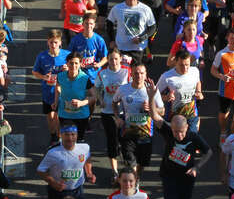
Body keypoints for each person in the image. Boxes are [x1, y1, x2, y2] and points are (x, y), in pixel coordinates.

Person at [160, 114, 213, 199]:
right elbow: (155, 117)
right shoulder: (168, 132)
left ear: (187, 127)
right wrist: (151, 98)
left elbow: (208, 152)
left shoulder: (193, 137)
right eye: (175, 132)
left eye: (182, 132)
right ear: (171, 128)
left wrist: (197, 167)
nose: (179, 136)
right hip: (169, 177)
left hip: (187, 179)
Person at [113, 62, 164, 177]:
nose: (139, 76)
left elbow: (162, 111)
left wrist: (152, 108)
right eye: (136, 73)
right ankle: (133, 182)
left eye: (142, 73)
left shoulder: (152, 90)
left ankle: (137, 179)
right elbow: (114, 102)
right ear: (131, 74)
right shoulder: (123, 89)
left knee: (142, 163)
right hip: (128, 134)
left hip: (145, 134)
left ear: (146, 75)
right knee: (131, 163)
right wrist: (117, 117)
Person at [37, 124, 96, 199]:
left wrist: (89, 173)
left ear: (77, 135)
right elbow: (40, 170)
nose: (70, 138)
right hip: (58, 191)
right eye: (67, 135)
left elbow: (87, 158)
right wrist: (53, 183)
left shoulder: (84, 147)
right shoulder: (53, 152)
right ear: (60, 135)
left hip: (77, 190)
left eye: (73, 134)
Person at [95, 48, 131, 180]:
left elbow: (134, 86)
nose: (114, 61)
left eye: (116, 58)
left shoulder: (126, 71)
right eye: (111, 59)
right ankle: (115, 172)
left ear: (120, 59)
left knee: (126, 141)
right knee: (112, 141)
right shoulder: (103, 73)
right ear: (107, 60)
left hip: (125, 112)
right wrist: (100, 99)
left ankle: (128, 168)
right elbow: (95, 88)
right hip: (108, 112)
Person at [32, 29, 71, 144]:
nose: (53, 45)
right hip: (48, 91)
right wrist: (44, 77)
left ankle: (58, 138)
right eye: (51, 42)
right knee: (50, 116)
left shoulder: (67, 55)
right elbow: (35, 72)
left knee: (58, 117)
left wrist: (68, 69)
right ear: (47, 42)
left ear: (60, 43)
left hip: (62, 92)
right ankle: (53, 134)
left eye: (55, 42)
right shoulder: (42, 56)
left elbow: (76, 71)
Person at [54, 52, 96, 139]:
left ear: (80, 64)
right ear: (67, 63)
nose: (73, 65)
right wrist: (55, 102)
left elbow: (94, 97)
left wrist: (81, 103)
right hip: (65, 114)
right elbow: (57, 88)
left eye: (76, 63)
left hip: (81, 115)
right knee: (66, 139)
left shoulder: (85, 78)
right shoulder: (60, 76)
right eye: (71, 63)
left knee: (79, 141)